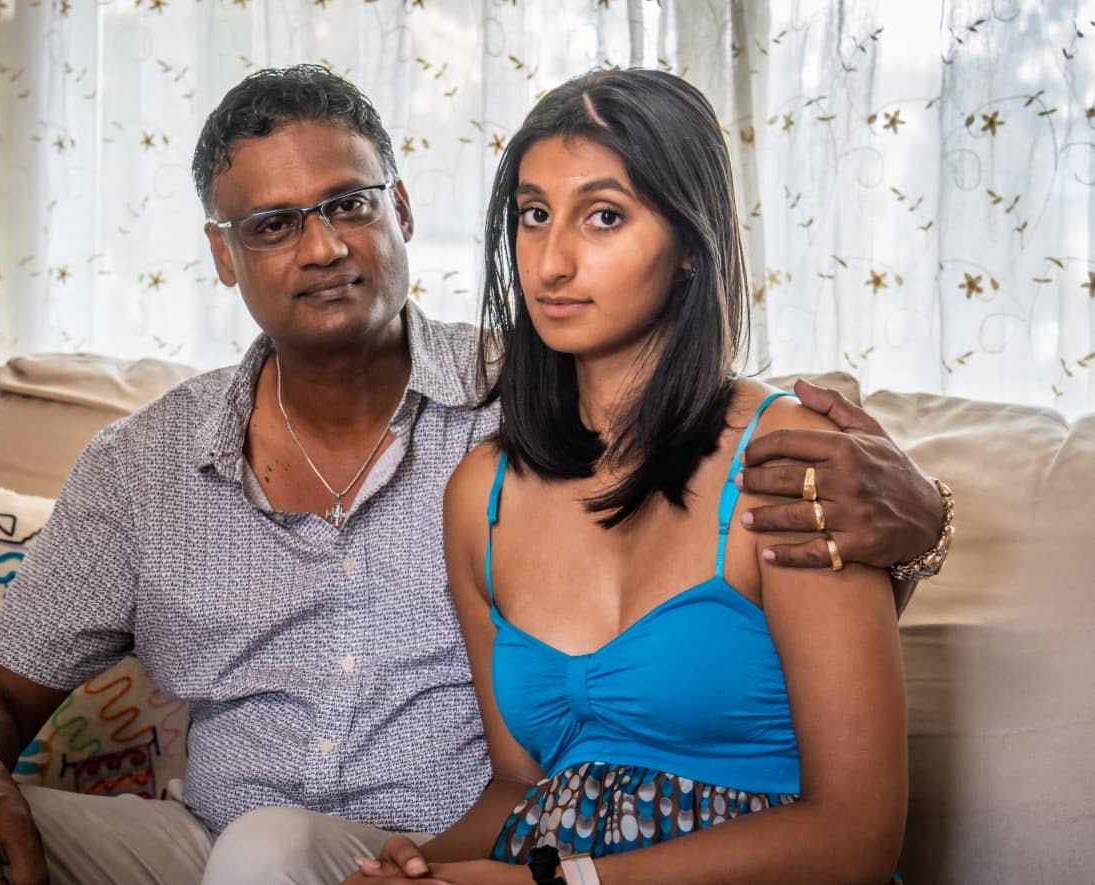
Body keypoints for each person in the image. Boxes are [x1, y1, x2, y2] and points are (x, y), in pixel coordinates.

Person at [0, 65, 945, 885]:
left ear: (402, 207)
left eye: (348, 203)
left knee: (270, 852)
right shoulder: (155, 468)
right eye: (272, 225)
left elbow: (839, 801)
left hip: (457, 845)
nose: (321, 247)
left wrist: (928, 517)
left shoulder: (545, 408)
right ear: (223, 256)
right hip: (250, 840)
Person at [344, 68, 908, 885]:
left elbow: (856, 837)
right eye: (533, 216)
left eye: (603, 216)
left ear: (688, 245)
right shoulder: (483, 492)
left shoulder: (785, 456)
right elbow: (521, 788)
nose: (552, 261)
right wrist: (419, 866)